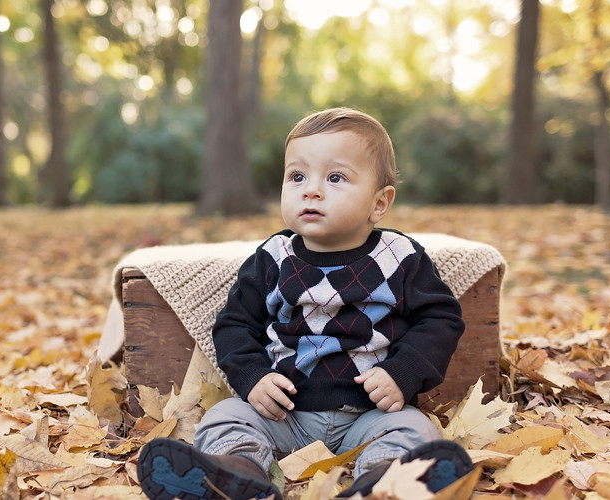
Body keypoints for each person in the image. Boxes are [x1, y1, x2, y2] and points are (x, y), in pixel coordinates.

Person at [137, 108, 472, 500]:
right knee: (224, 418)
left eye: (335, 178)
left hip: (371, 413)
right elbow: (234, 324)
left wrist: (403, 372)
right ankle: (237, 475)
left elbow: (440, 318)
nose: (310, 190)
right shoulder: (274, 257)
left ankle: (383, 482)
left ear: (379, 204)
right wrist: (253, 378)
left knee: (414, 431)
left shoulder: (399, 257)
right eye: (297, 176)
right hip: (285, 413)